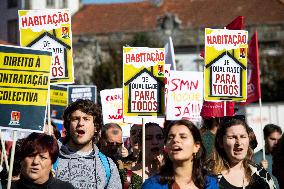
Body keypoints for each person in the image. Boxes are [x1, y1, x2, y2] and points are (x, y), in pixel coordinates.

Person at [55, 99, 122, 189]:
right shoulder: (50, 157)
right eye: (75, 119)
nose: (81, 123)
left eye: (86, 119)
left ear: (96, 127)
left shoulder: (108, 166)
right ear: (68, 125)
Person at [142, 120, 219, 189]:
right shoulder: (152, 185)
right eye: (170, 137)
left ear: (196, 146)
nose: (175, 140)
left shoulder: (210, 183)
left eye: (183, 137)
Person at [208, 117, 276, 189]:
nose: (239, 142)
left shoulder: (261, 174)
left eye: (243, 136)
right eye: (232, 137)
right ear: (220, 142)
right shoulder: (209, 176)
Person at [253, 124, 282, 188]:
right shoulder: (255, 158)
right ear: (265, 138)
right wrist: (260, 170)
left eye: (278, 139)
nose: (276, 142)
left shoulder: (281, 156)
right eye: (272, 139)